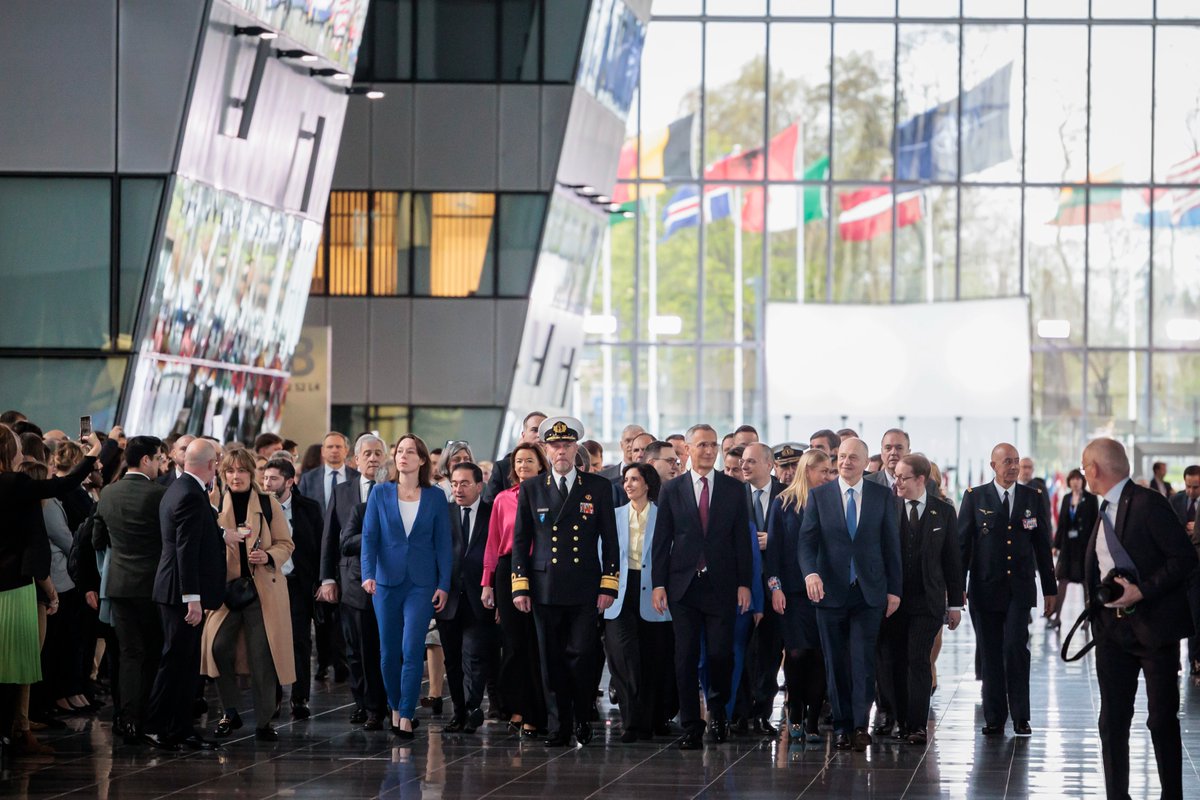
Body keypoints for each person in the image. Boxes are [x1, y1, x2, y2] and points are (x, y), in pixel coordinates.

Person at [1082, 438, 1197, 800]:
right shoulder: (1100, 510)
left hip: (1153, 632)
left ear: (1095, 469)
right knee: (1112, 721)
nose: (1084, 471)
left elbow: (1184, 560)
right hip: (1112, 634)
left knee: (1161, 720)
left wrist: (1142, 591)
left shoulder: (1149, 504)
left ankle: (1171, 795)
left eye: (1085, 465)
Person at [0, 425, 113, 760]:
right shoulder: (16, 484)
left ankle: (13, 734)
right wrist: (94, 455)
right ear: (9, 451)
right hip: (17, 586)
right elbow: (63, 484)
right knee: (16, 667)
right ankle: (14, 734)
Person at [511, 416, 620, 747]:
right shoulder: (532, 488)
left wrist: (608, 585)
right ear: (546, 449)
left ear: (576, 449)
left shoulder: (598, 487)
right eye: (555, 445)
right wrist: (520, 586)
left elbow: (610, 540)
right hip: (545, 588)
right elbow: (520, 541)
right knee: (551, 660)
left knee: (583, 656)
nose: (561, 451)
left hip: (584, 587)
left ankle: (583, 716)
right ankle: (559, 725)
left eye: (567, 445)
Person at [651, 423, 753, 750]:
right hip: (682, 586)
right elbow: (662, 539)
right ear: (688, 450)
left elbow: (742, 542)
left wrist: (744, 584)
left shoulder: (734, 489)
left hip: (721, 585)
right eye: (702, 445)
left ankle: (719, 711)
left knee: (721, 654)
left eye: (713, 445)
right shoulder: (672, 489)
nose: (709, 451)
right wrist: (658, 585)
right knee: (685, 657)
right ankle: (691, 724)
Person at [799, 437, 900, 752]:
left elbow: (890, 545)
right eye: (841, 457)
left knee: (863, 662)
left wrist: (894, 589)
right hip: (830, 594)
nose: (845, 462)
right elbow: (806, 542)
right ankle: (841, 727)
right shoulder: (820, 496)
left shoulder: (882, 496)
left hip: (869, 593)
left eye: (853, 457)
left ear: (866, 460)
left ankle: (859, 726)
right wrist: (810, 573)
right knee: (836, 663)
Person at [959, 442, 1056, 738]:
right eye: (1007, 462)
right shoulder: (975, 497)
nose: (1013, 467)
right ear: (993, 466)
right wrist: (955, 589)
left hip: (1019, 588)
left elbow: (1042, 545)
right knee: (989, 653)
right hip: (984, 588)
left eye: (1016, 461)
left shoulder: (1033, 497)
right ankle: (994, 717)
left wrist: (1050, 589)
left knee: (1015, 649)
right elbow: (963, 545)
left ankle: (1021, 716)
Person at [361, 434, 452, 740]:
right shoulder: (380, 493)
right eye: (400, 451)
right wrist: (367, 573)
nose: (403, 456)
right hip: (386, 582)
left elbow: (443, 545)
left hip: (422, 583)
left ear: (422, 460)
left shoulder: (436, 496)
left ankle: (407, 714)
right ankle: (395, 707)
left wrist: (443, 584)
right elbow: (369, 537)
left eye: (410, 452)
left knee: (412, 649)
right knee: (388, 653)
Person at [202, 448, 295, 741]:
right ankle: (230, 710)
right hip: (225, 591)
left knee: (261, 657)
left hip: (261, 590)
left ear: (252, 473)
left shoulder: (268, 504)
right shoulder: (213, 503)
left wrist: (267, 556)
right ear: (222, 474)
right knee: (217, 647)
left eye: (241, 470)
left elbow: (286, 543)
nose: (236, 476)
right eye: (230, 471)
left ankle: (264, 721)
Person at [143, 438, 226, 751]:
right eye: (216, 463)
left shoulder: (180, 490)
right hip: (181, 592)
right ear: (210, 465)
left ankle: (177, 727)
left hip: (175, 589)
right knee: (176, 661)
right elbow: (186, 549)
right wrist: (192, 597)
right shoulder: (191, 494)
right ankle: (158, 726)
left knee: (185, 662)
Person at [875, 454, 963, 745]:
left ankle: (916, 725)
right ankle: (899, 717)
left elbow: (953, 560)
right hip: (893, 600)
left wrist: (954, 604)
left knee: (918, 659)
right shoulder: (888, 506)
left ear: (921, 480)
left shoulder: (943, 511)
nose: (896, 481)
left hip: (928, 600)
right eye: (895, 476)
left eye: (903, 477)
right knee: (894, 660)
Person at [93, 436, 168, 741]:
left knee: (128, 654)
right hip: (153, 585)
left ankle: (126, 718)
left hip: (119, 585)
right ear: (147, 460)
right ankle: (146, 717)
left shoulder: (108, 493)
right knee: (151, 652)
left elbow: (97, 539)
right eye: (160, 458)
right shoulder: (158, 495)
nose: (162, 465)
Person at [318, 433, 388, 729]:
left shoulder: (394, 491)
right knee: (356, 648)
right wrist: (327, 578)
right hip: (351, 578)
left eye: (378, 454)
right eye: (367, 454)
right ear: (355, 460)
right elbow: (330, 538)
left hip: (387, 578)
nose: (373, 459)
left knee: (383, 646)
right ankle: (362, 702)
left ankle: (381, 703)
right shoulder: (343, 490)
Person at [481, 442, 549, 738]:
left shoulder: (549, 494)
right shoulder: (502, 499)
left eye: (529, 461)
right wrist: (487, 582)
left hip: (541, 570)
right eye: (519, 461)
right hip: (508, 572)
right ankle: (517, 707)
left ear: (540, 465)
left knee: (537, 643)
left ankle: (537, 711)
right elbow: (493, 544)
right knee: (514, 644)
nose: (523, 466)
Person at [765, 449, 833, 743]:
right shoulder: (783, 503)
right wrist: (775, 587)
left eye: (831, 472)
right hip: (792, 592)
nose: (829, 477)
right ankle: (795, 710)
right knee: (796, 653)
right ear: (809, 471)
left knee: (819, 655)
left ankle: (813, 719)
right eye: (824, 472)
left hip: (825, 592)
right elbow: (775, 551)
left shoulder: (833, 503)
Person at [605, 463, 674, 742]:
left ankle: (655, 718)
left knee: (652, 658)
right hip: (619, 593)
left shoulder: (663, 515)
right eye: (626, 479)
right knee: (624, 657)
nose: (628, 484)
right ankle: (632, 722)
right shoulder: (614, 516)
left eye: (635, 479)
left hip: (654, 592)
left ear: (647, 484)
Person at [261, 457, 323, 720]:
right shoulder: (258, 508)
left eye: (273, 479)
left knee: (299, 640)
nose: (267, 483)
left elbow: (319, 545)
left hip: (298, 583)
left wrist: (322, 580)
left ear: (289, 481)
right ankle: (271, 698)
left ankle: (300, 698)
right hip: (268, 582)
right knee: (269, 641)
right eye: (265, 478)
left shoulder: (308, 508)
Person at [438, 462, 498, 733]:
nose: (458, 489)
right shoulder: (444, 513)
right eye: (454, 483)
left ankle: (473, 707)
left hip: (480, 596)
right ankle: (459, 712)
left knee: (474, 656)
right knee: (452, 660)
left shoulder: (491, 512)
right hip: (448, 598)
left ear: (479, 486)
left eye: (464, 483)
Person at [741, 442, 785, 736]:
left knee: (769, 652)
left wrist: (774, 540)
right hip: (742, 585)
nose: (745, 466)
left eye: (752, 461)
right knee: (741, 650)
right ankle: (740, 712)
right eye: (743, 460)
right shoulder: (732, 494)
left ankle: (762, 712)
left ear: (769, 465)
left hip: (776, 587)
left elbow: (800, 539)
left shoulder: (789, 495)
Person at [1049, 469, 1097, 631]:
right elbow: (1062, 524)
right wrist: (1056, 545)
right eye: (1073, 479)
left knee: (1086, 584)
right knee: (1062, 581)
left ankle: (1087, 619)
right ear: (1069, 482)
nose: (1076, 482)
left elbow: (1094, 523)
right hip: (1068, 548)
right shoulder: (1066, 498)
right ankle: (1057, 617)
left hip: (1084, 547)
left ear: (1082, 481)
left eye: (1078, 479)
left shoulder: (1091, 499)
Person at [1168, 465, 1200, 675]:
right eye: (1188, 486)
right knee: (1173, 614)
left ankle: (1195, 659)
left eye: (1196, 487)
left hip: (1198, 567)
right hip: (1177, 567)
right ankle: (1173, 660)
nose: (1191, 491)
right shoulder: (1175, 501)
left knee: (1196, 614)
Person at [483, 411, 546, 502]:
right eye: (534, 430)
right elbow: (489, 506)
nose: (539, 435)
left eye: (543, 431)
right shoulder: (503, 467)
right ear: (523, 435)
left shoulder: (556, 467)